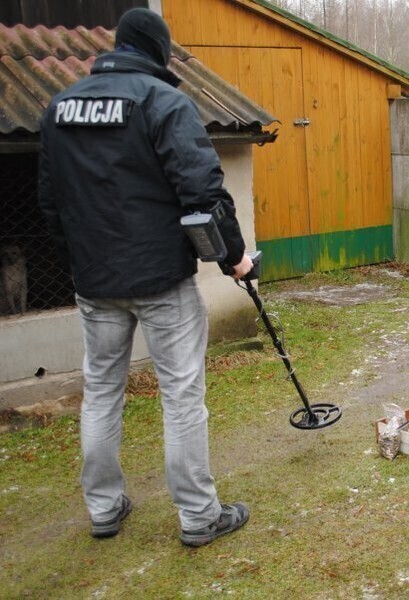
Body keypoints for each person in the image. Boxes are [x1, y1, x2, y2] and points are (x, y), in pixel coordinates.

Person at [38, 8, 253, 545]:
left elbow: (49, 203)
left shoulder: (59, 107)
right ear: (158, 52)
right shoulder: (164, 101)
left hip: (95, 283)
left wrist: (84, 257)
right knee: (181, 395)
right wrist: (235, 258)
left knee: (101, 391)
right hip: (161, 282)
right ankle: (200, 516)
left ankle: (104, 507)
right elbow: (203, 194)